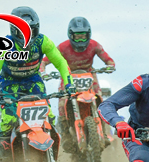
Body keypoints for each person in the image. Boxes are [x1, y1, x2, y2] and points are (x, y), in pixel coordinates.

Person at [0, 6, 75, 162]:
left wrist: (69, 83)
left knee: (49, 116)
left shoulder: (43, 41)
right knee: (8, 120)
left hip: (33, 82)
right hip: (10, 85)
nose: (28, 36)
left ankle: (52, 159)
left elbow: (61, 62)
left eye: (31, 30)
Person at [40, 16, 116, 152]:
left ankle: (104, 132)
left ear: (88, 35)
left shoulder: (95, 45)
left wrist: (110, 66)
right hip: (68, 77)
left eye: (83, 36)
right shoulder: (63, 47)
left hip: (89, 76)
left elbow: (108, 60)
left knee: (100, 100)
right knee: (63, 104)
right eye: (77, 37)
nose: (80, 40)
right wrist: (43, 71)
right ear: (71, 35)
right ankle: (66, 136)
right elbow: (44, 61)